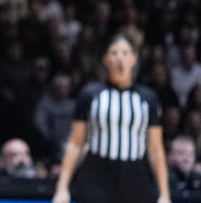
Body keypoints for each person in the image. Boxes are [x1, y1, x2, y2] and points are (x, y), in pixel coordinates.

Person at [52, 34, 171, 203]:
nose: (119, 58)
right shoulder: (90, 94)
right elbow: (75, 144)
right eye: (114, 53)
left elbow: (155, 149)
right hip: (97, 174)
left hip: (136, 175)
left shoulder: (147, 98)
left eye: (124, 53)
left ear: (134, 59)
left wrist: (164, 194)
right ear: (106, 59)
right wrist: (62, 188)